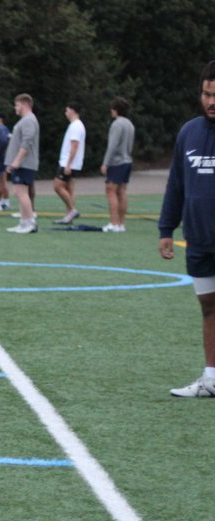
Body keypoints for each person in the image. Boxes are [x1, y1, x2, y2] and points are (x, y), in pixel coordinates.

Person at [159, 60, 215, 398]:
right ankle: (211, 379)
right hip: (199, 240)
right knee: (209, 307)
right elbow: (176, 184)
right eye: (207, 94)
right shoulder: (189, 132)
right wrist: (166, 228)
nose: (212, 102)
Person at [4, 93, 40, 234]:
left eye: (17, 105)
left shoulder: (29, 120)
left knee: (21, 192)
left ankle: (30, 222)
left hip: (25, 163)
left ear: (24, 105)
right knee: (19, 192)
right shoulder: (25, 120)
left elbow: (27, 141)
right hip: (20, 163)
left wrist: (17, 160)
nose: (15, 108)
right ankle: (24, 222)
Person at [101, 97, 135, 233]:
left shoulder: (117, 124)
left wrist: (105, 163)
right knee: (122, 191)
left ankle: (114, 223)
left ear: (116, 110)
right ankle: (121, 224)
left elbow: (112, 145)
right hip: (127, 160)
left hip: (117, 162)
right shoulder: (130, 124)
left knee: (111, 191)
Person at [52, 102, 86, 225]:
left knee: (57, 186)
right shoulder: (75, 125)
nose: (65, 113)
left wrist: (68, 164)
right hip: (72, 163)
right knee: (69, 189)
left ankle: (72, 210)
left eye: (67, 110)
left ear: (72, 110)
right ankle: (69, 216)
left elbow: (74, 146)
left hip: (68, 163)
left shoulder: (76, 126)